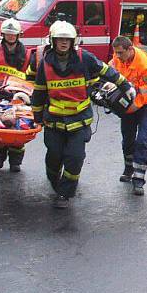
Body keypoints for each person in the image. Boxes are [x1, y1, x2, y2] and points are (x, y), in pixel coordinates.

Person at [30, 21, 133, 208]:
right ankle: (55, 181)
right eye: (60, 39)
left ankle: (65, 193)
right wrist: (37, 118)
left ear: (73, 41)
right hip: (54, 122)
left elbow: (106, 70)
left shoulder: (84, 58)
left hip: (79, 121)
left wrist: (125, 85)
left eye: (67, 40)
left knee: (75, 157)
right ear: (53, 41)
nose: (63, 43)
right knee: (54, 156)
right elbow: (38, 93)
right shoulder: (45, 64)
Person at [109, 36, 147, 195]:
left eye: (120, 53)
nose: (117, 56)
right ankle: (128, 168)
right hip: (130, 99)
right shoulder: (118, 59)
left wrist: (124, 110)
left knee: (141, 140)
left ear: (130, 49)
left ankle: (139, 180)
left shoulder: (146, 67)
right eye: (115, 53)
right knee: (128, 138)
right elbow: (110, 73)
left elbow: (143, 97)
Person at [0, 18, 31, 172]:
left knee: (19, 130)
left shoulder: (29, 55)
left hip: (20, 98)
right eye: (7, 34)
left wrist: (28, 95)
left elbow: (32, 79)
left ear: (18, 35)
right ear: (3, 35)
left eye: (13, 34)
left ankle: (15, 161)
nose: (10, 37)